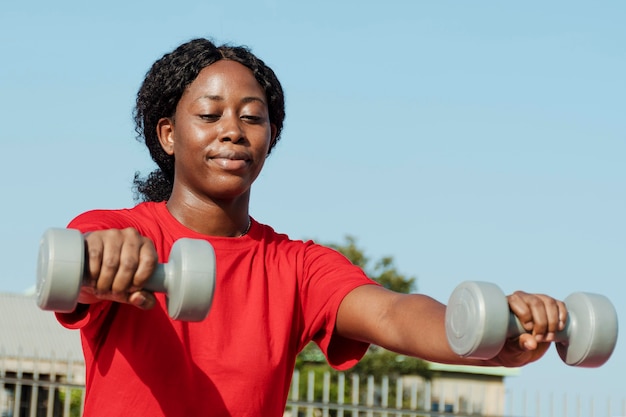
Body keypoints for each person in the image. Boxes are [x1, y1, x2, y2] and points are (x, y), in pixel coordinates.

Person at [55, 38, 567, 416]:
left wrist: (484, 333)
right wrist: (103, 261)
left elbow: (391, 313)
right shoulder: (122, 233)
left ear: (270, 136)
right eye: (209, 115)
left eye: (252, 118)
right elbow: (77, 262)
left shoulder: (297, 267)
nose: (232, 130)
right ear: (168, 134)